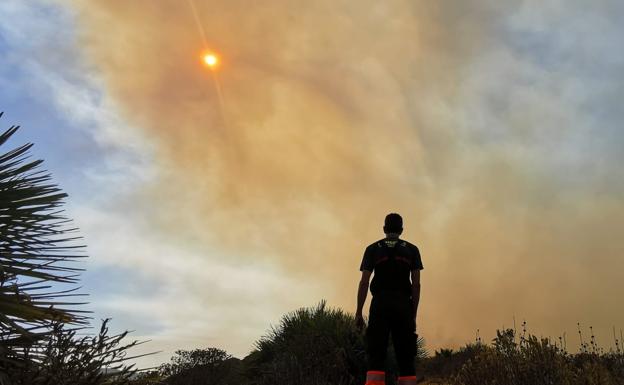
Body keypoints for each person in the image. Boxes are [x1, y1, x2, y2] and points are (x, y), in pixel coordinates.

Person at [355, 213, 423, 385]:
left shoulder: (372, 249)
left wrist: (358, 312)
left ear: (384, 229)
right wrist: (413, 314)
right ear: (401, 230)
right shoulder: (412, 250)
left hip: (380, 305)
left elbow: (364, 282)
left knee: (376, 356)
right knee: (406, 358)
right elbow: (416, 285)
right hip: (403, 306)